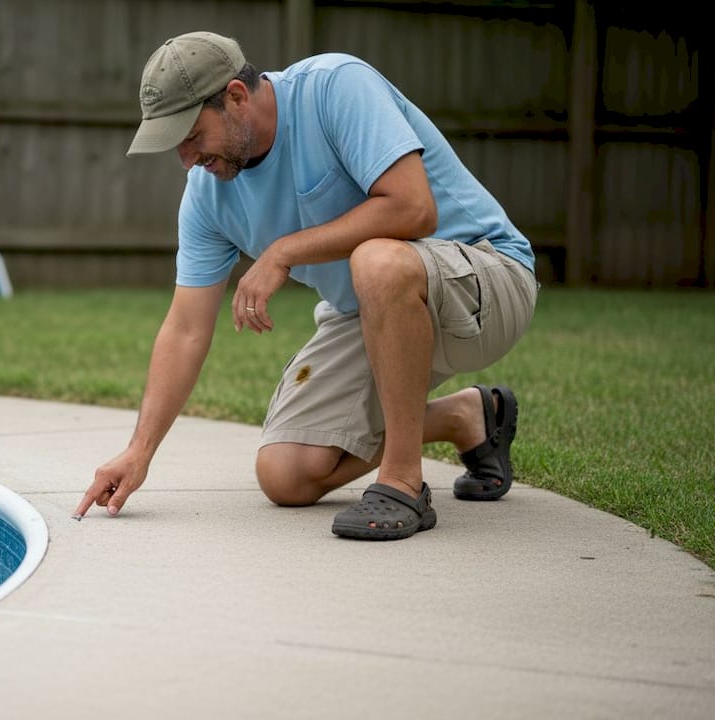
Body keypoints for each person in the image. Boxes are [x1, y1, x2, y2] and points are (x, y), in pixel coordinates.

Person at [72, 31, 538, 540]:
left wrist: (284, 251)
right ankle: (466, 418)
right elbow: (185, 328)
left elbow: (413, 208)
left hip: (487, 280)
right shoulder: (207, 195)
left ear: (236, 97)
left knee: (377, 260)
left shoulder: (335, 88)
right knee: (286, 473)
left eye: (191, 135)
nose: (186, 159)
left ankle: (403, 483)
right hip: (370, 309)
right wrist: (139, 452)